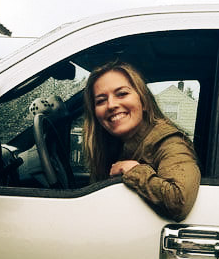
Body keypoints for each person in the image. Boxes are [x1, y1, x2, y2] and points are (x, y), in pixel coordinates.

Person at [82, 60, 200, 221]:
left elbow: (179, 200)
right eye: (101, 100)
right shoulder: (115, 145)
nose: (111, 105)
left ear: (144, 101)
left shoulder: (169, 142)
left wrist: (133, 171)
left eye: (122, 93)